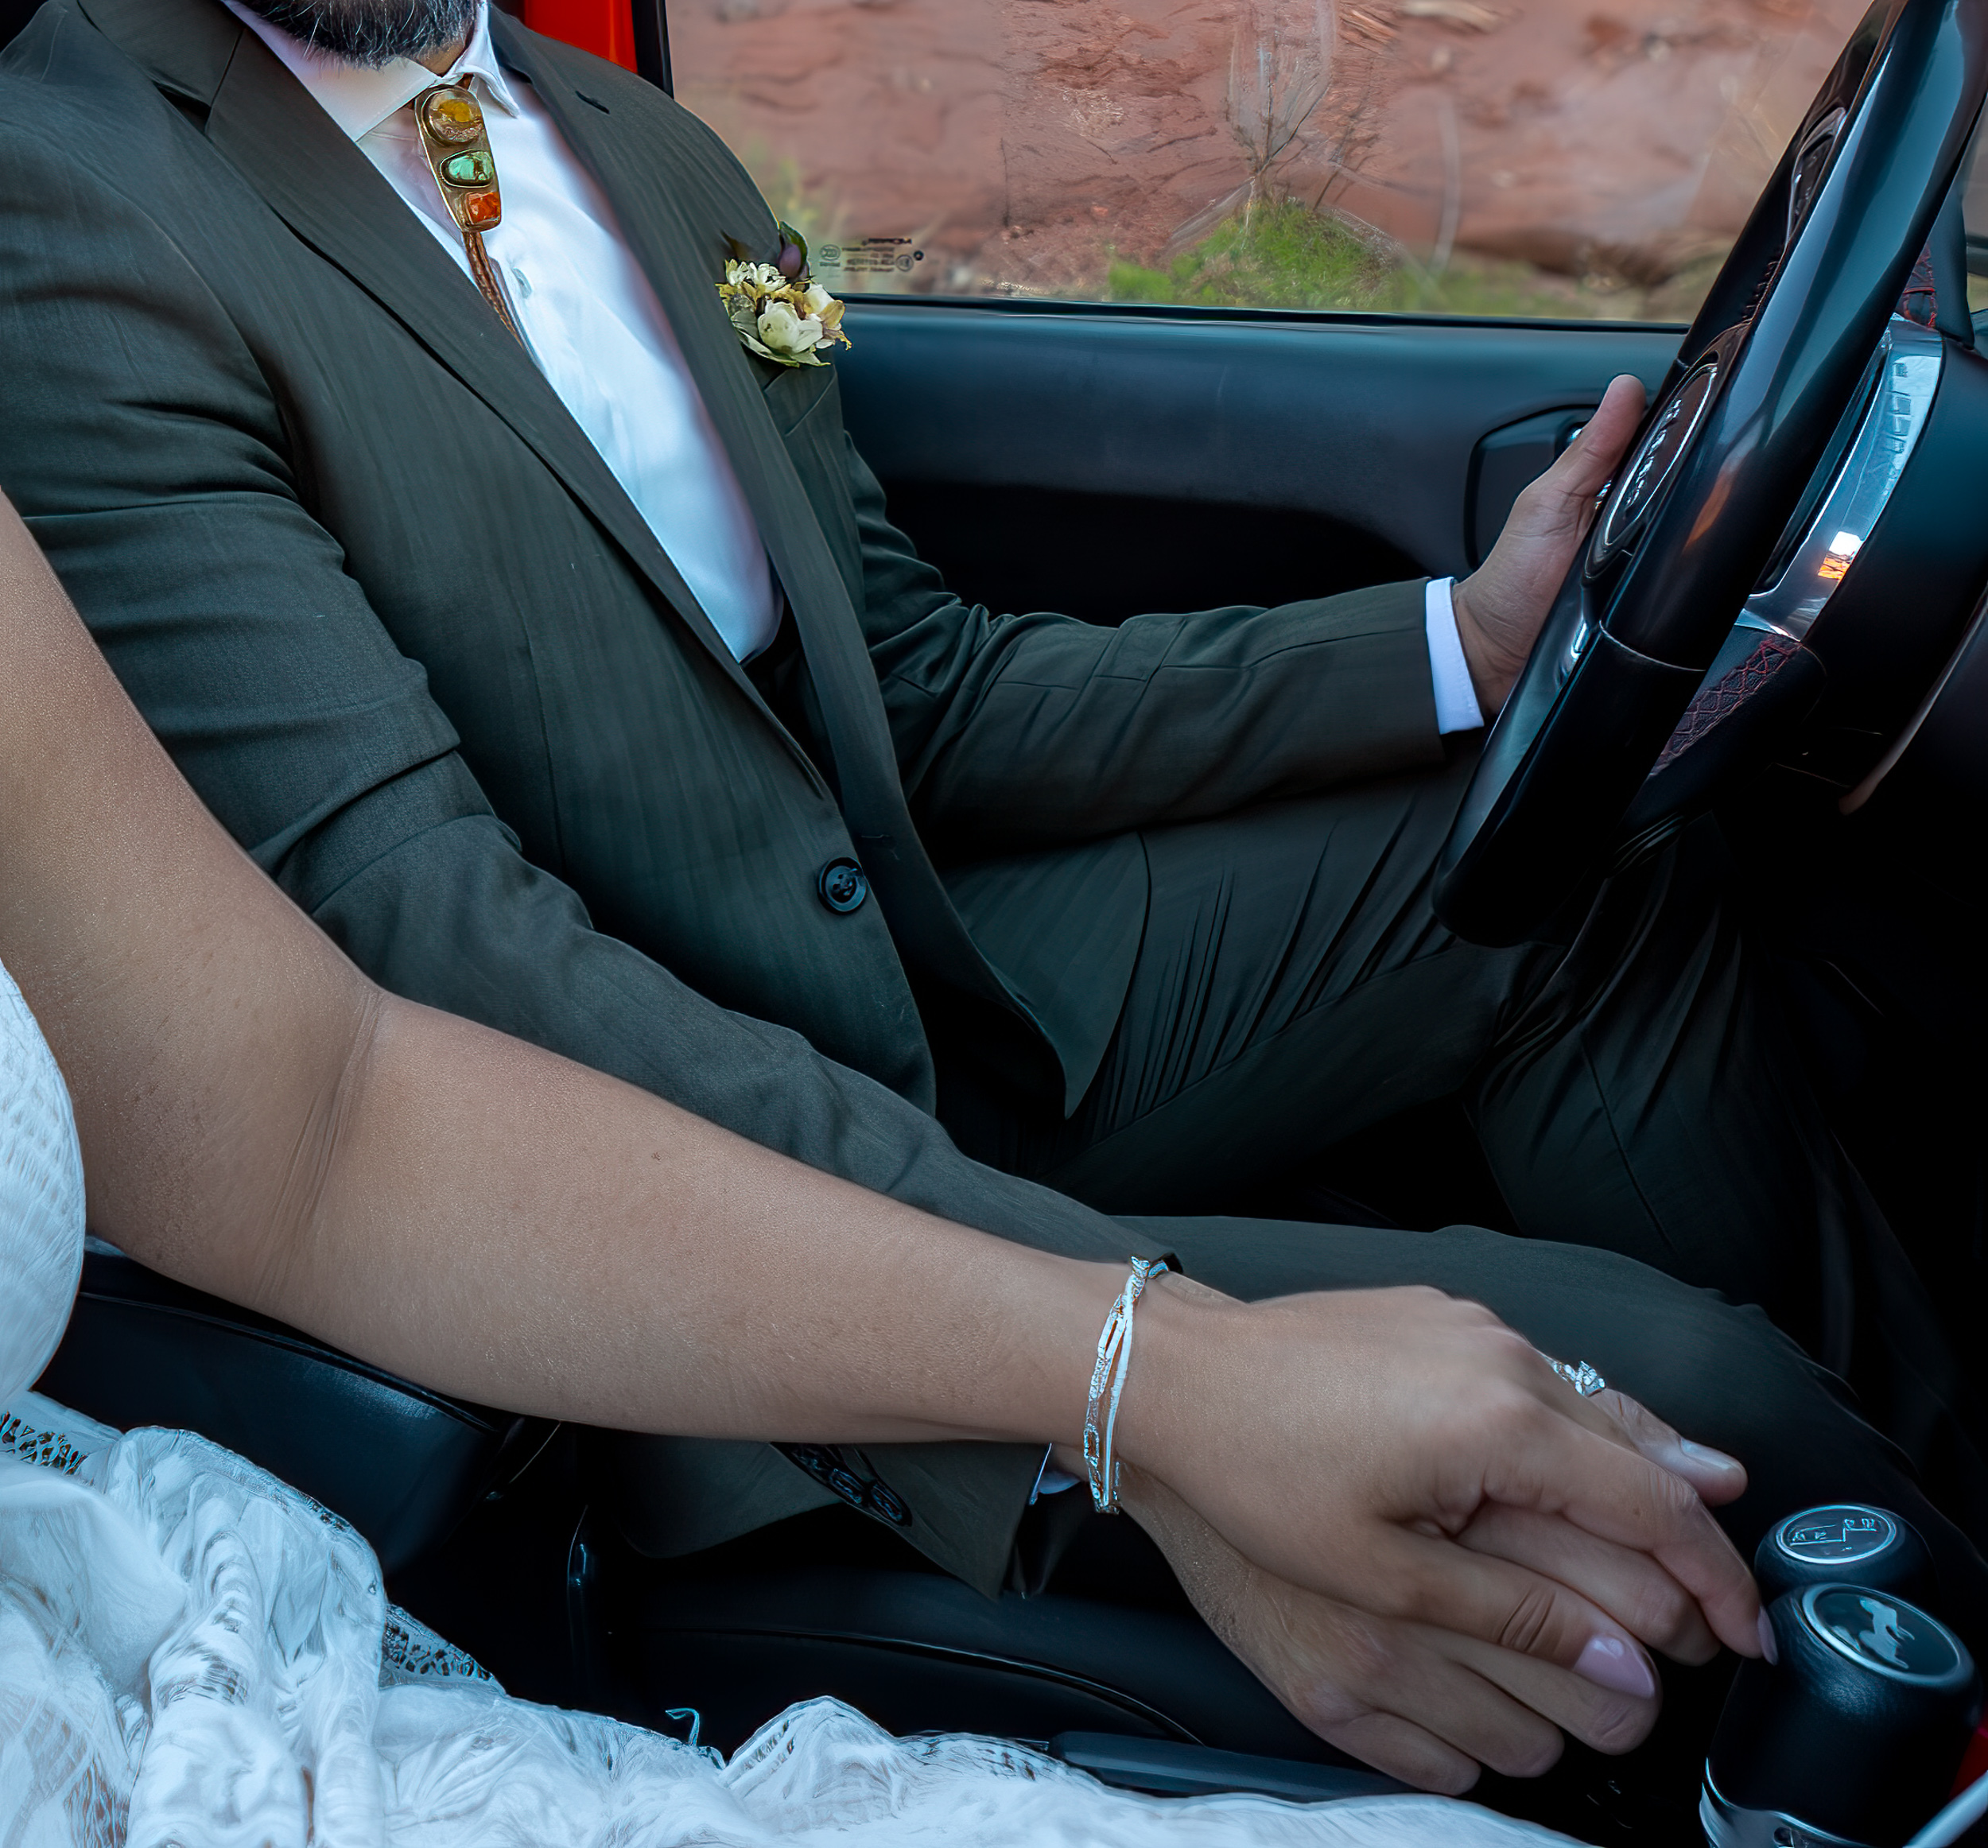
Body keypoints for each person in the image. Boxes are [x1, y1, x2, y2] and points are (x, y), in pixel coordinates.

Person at [0, 0, 1974, 1778]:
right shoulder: (76, 192)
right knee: (1681, 1404)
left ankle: (1942, 1493)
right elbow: (437, 961)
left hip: (949, 978)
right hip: (668, 1222)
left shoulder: (632, 137)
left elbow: (919, 687)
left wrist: (1456, 636)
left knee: (1583, 870)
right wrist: (1097, 1337)